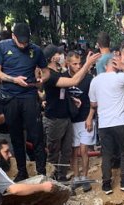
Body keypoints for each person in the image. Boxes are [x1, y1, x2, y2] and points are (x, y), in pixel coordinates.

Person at [0, 22, 47, 181]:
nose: (23, 44)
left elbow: (46, 72)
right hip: (11, 97)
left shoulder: (35, 50)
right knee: (16, 136)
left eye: (26, 41)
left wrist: (41, 79)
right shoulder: (2, 47)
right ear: (13, 36)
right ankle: (22, 171)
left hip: (29, 96)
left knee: (36, 136)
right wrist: (14, 80)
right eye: (20, 41)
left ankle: (42, 171)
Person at [40, 45, 100, 181]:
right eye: (58, 53)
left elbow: (63, 91)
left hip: (67, 118)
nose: (60, 55)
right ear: (52, 57)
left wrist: (71, 100)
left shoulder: (59, 72)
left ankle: (62, 177)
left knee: (67, 151)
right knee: (54, 152)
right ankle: (51, 179)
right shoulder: (49, 75)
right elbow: (74, 81)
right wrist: (88, 64)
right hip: (55, 119)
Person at [88, 53, 124, 194]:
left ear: (105, 66)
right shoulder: (120, 77)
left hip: (104, 124)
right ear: (116, 65)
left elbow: (93, 103)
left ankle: (106, 185)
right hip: (120, 121)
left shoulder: (95, 81)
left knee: (106, 154)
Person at [66, 51, 95, 192]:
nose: (78, 66)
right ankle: (76, 177)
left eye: (80, 63)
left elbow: (94, 100)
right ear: (68, 64)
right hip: (71, 120)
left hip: (85, 118)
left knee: (84, 149)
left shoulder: (88, 78)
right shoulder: (64, 78)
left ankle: (85, 177)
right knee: (73, 151)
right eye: (74, 64)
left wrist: (90, 117)